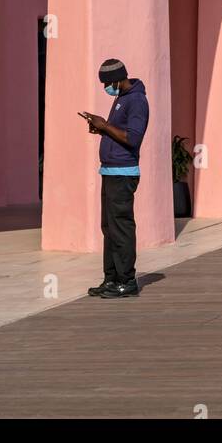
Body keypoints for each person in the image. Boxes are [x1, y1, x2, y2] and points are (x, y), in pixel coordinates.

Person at [79, 58, 150, 299]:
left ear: (119, 79)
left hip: (123, 173)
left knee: (121, 227)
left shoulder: (137, 100)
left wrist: (105, 125)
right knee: (108, 227)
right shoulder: (121, 98)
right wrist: (101, 128)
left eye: (108, 83)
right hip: (109, 171)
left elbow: (133, 138)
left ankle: (127, 281)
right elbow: (117, 132)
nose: (105, 88)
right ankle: (111, 278)